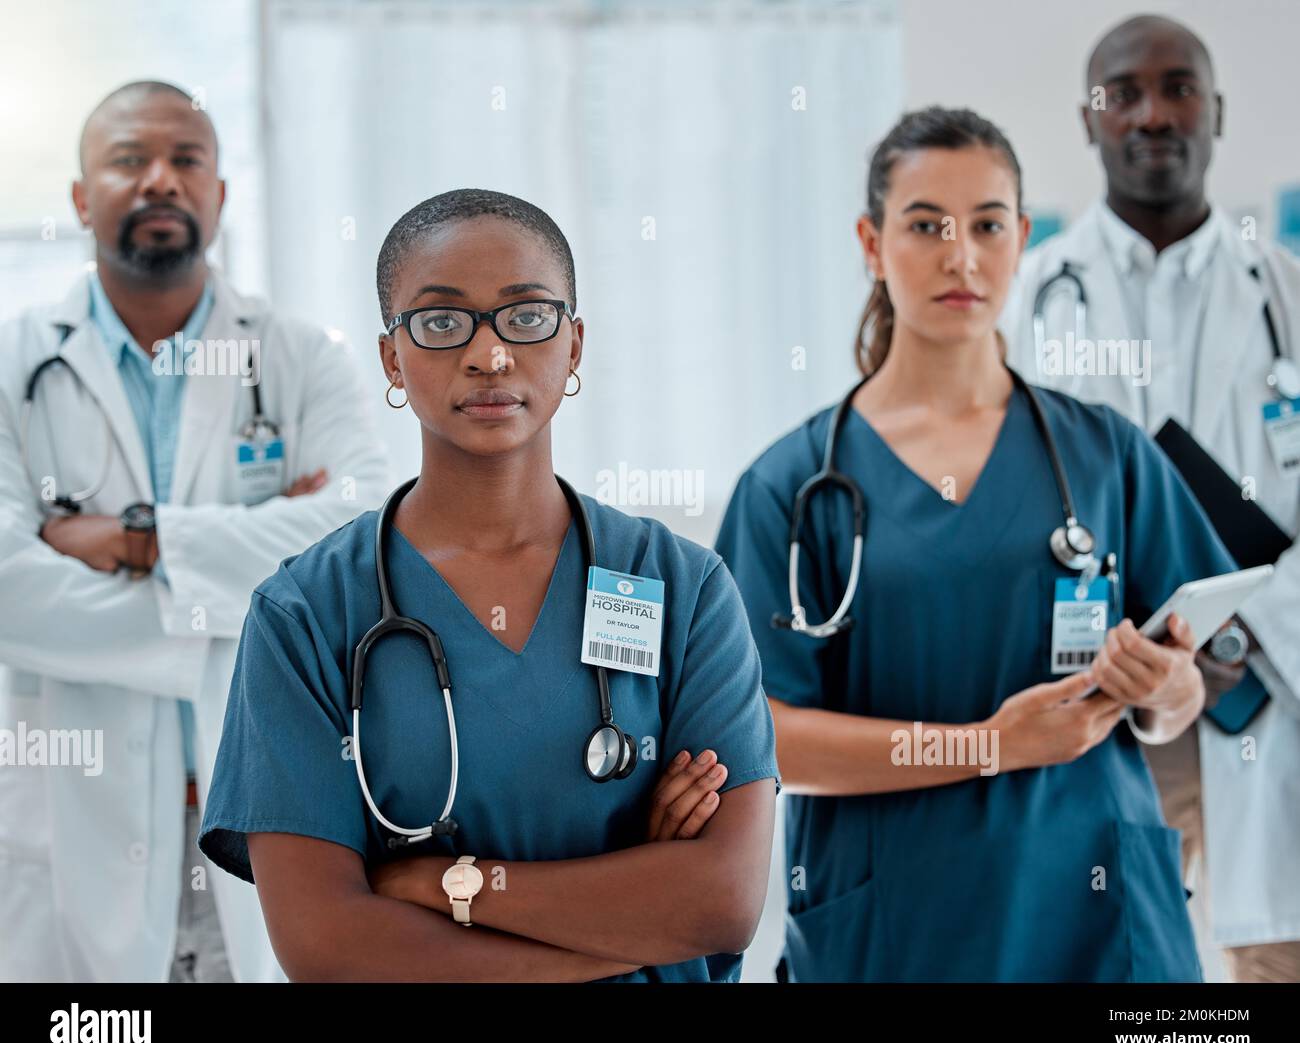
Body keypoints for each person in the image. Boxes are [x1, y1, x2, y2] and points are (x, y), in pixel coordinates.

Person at [197, 188, 780, 982]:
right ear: (392, 358)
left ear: (574, 346)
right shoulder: (304, 615)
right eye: (441, 322)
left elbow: (720, 902)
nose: (489, 353)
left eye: (526, 315)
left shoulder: (681, 587)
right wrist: (621, 921)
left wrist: (444, 886)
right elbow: (328, 947)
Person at [715, 106, 1240, 983]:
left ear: (1023, 239)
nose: (961, 256)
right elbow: (757, 738)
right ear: (872, 243)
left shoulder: (1106, 454)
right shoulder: (792, 486)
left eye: (989, 225)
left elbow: (1194, 667)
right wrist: (985, 745)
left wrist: (1169, 691)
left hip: (1103, 918)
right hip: (901, 923)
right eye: (926, 225)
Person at [0, 81, 389, 982]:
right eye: (130, 159)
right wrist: (245, 582)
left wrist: (138, 543)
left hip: (262, 815)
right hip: (70, 811)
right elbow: (8, 591)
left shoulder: (299, 354)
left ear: (219, 193)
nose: (160, 180)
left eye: (187, 160)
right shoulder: (15, 361)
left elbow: (359, 537)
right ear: (79, 196)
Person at [1003, 15, 1300, 982]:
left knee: (1271, 958)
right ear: (1089, 121)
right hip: (1103, 689)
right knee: (1119, 962)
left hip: (1270, 689)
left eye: (1178, 89)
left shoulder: (1286, 294)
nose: (1151, 114)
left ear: (1216, 112)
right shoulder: (1025, 299)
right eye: (1121, 94)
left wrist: (1243, 623)